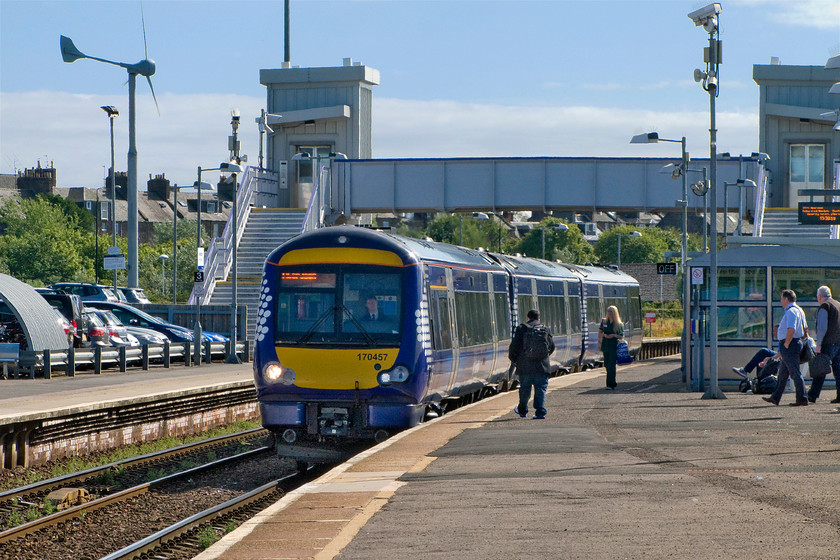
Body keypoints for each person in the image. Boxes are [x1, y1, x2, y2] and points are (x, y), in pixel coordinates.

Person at [763, 289, 809, 407]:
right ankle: (775, 397)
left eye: (781, 298)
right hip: (795, 343)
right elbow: (805, 329)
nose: (781, 301)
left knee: (794, 372)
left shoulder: (791, 311)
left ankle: (802, 398)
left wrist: (787, 344)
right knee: (783, 373)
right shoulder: (799, 310)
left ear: (786, 299)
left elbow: (791, 329)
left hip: (790, 344)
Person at [509, 309, 555, 419]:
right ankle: (540, 412)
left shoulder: (521, 328)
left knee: (525, 389)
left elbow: (514, 347)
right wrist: (544, 356)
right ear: (539, 318)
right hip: (542, 365)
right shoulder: (545, 328)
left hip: (525, 366)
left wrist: (515, 360)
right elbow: (551, 346)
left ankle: (523, 411)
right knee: (540, 389)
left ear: (527, 318)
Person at [807, 285, 840, 404]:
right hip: (838, 342)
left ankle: (812, 395)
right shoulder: (838, 304)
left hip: (828, 343)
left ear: (819, 296)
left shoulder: (825, 307)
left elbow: (822, 328)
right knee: (838, 370)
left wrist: (818, 344)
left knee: (820, 368)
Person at [598, 305, 624, 390]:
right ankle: (612, 382)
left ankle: (610, 384)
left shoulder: (619, 324)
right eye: (608, 311)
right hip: (606, 345)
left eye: (611, 311)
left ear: (615, 313)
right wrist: (603, 337)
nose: (609, 313)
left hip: (614, 345)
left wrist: (614, 335)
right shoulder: (604, 322)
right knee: (606, 364)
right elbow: (600, 333)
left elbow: (621, 336)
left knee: (611, 365)